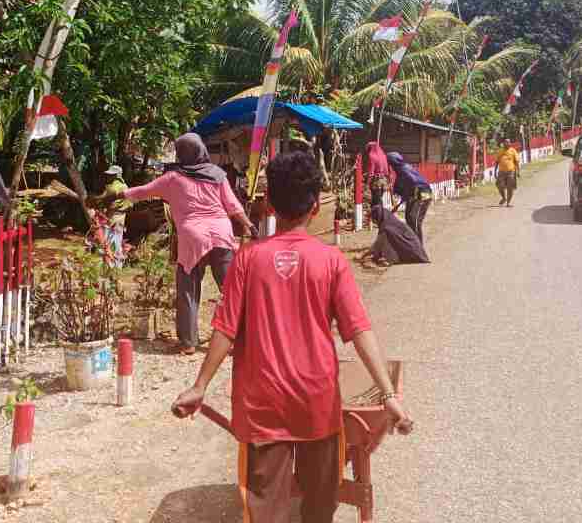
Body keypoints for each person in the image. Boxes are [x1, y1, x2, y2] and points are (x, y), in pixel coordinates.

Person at [170, 151, 413, 523]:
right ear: (316, 206)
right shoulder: (331, 261)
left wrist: (200, 385)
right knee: (318, 509)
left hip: (261, 407)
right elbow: (359, 331)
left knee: (265, 509)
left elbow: (224, 329)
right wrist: (389, 396)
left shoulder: (248, 259)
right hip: (317, 403)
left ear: (268, 204)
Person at [96, 132, 256, 355]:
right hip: (222, 234)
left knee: (188, 291)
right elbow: (233, 206)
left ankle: (188, 343)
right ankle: (243, 340)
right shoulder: (218, 174)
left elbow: (143, 191)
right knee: (231, 290)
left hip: (192, 238)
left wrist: (113, 196)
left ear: (182, 154)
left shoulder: (173, 178)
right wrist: (250, 225)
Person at [385, 151, 432, 242]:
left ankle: (418, 245)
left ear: (393, 163)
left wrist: (405, 197)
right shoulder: (400, 170)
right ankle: (412, 242)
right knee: (408, 218)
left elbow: (414, 185)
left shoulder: (404, 170)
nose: (390, 167)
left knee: (413, 220)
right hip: (414, 195)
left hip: (423, 195)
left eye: (390, 164)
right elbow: (402, 186)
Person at [101, 165, 130, 268]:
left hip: (113, 215)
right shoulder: (125, 186)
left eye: (111, 175)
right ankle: (116, 263)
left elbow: (103, 201)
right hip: (121, 215)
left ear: (116, 176)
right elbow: (130, 203)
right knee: (117, 238)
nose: (108, 177)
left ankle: (112, 264)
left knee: (110, 238)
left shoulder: (113, 187)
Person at [364, 141, 391, 211]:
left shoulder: (372, 156)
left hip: (376, 181)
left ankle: (376, 217)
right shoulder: (383, 155)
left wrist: (367, 183)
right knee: (379, 199)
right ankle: (380, 215)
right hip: (383, 181)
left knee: (375, 201)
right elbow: (387, 170)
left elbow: (371, 172)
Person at [495, 138, 520, 206]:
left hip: (511, 171)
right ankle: (504, 198)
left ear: (510, 143)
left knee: (510, 187)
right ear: (503, 143)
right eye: (505, 142)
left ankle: (508, 202)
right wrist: (495, 171)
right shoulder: (500, 151)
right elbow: (497, 162)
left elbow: (517, 162)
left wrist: (518, 171)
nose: (507, 144)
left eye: (508, 142)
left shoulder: (513, 151)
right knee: (498, 185)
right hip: (501, 172)